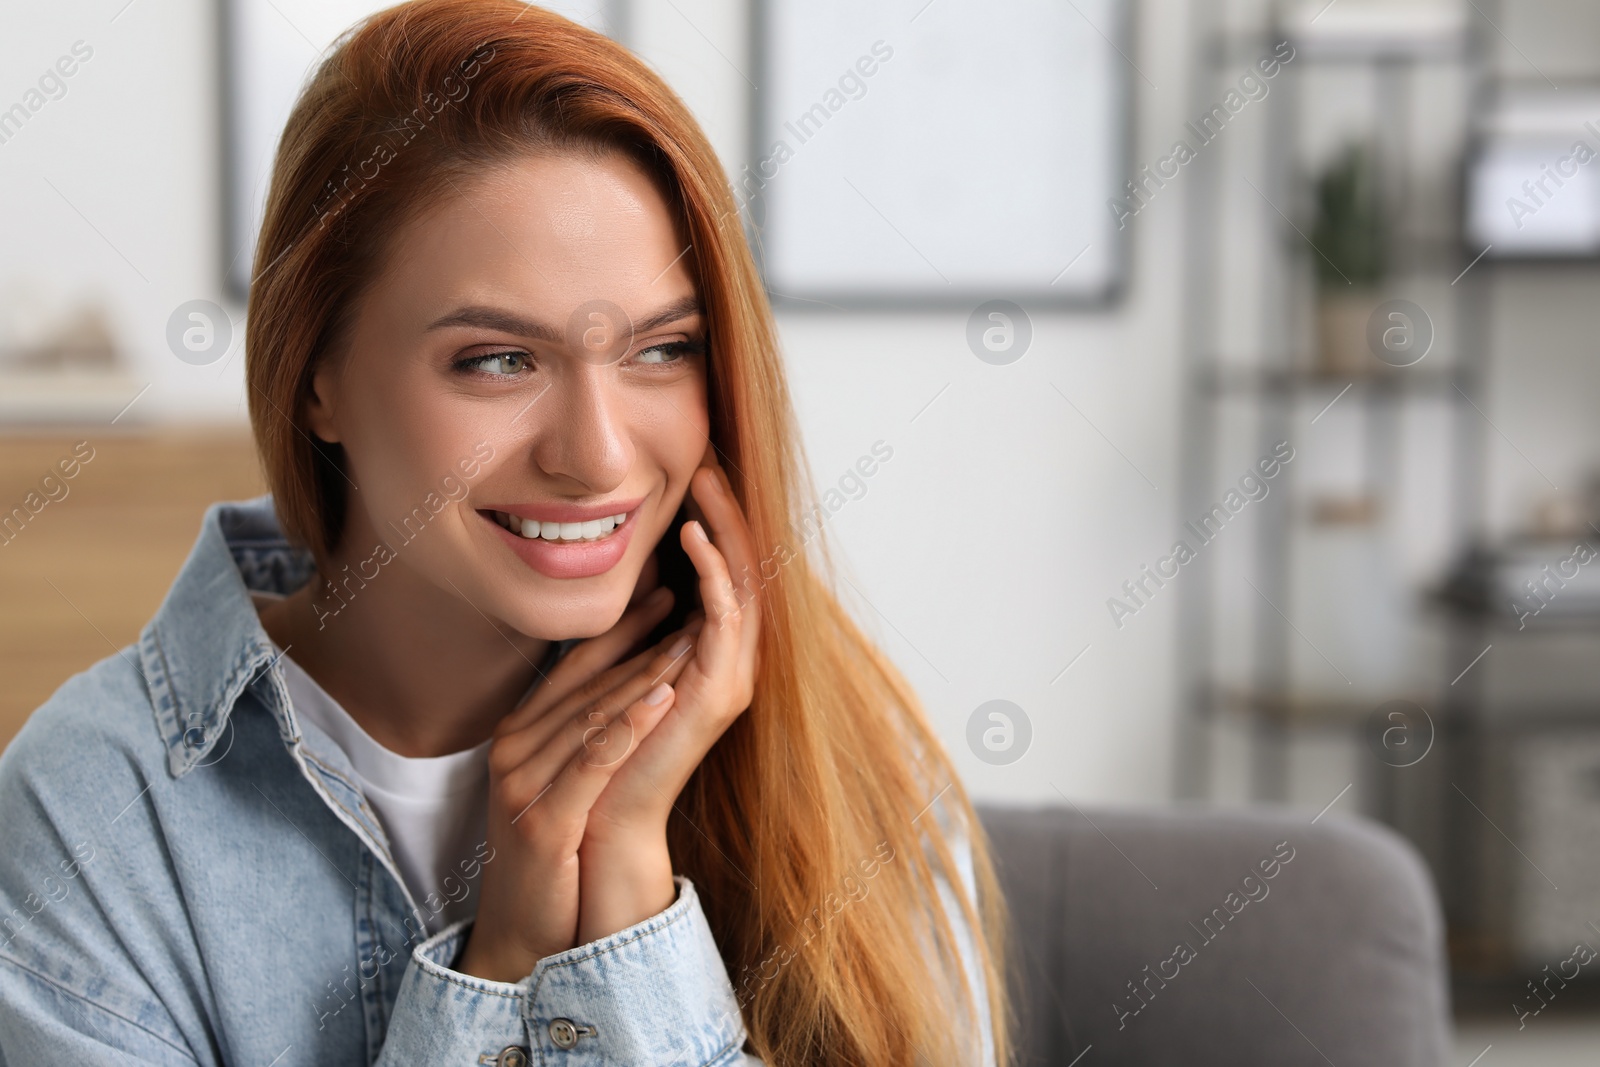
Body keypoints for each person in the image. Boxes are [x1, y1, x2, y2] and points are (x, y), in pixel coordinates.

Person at [0, 1, 1010, 1063]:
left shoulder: (851, 763)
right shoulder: (89, 820)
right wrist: (506, 961)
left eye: (661, 349)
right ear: (316, 382)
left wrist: (625, 889)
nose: (599, 454)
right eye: (497, 360)